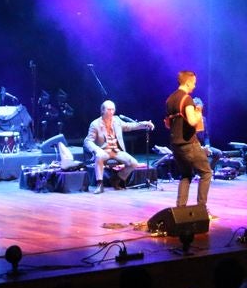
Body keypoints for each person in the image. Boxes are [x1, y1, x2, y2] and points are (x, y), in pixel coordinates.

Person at [164, 70, 212, 211]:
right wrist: (198, 113)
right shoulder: (187, 99)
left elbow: (167, 124)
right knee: (206, 173)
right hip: (189, 144)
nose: (194, 87)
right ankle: (201, 209)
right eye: (194, 83)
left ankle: (180, 209)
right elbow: (192, 121)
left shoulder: (170, 99)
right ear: (188, 82)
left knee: (186, 175)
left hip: (175, 144)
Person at [84, 100, 154, 194]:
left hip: (116, 151)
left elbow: (130, 126)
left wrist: (144, 124)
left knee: (133, 163)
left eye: (113, 109)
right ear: (102, 111)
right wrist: (97, 150)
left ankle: (116, 179)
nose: (111, 112)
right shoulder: (95, 124)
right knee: (99, 156)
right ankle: (100, 185)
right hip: (104, 151)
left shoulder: (117, 120)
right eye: (109, 110)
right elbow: (87, 141)